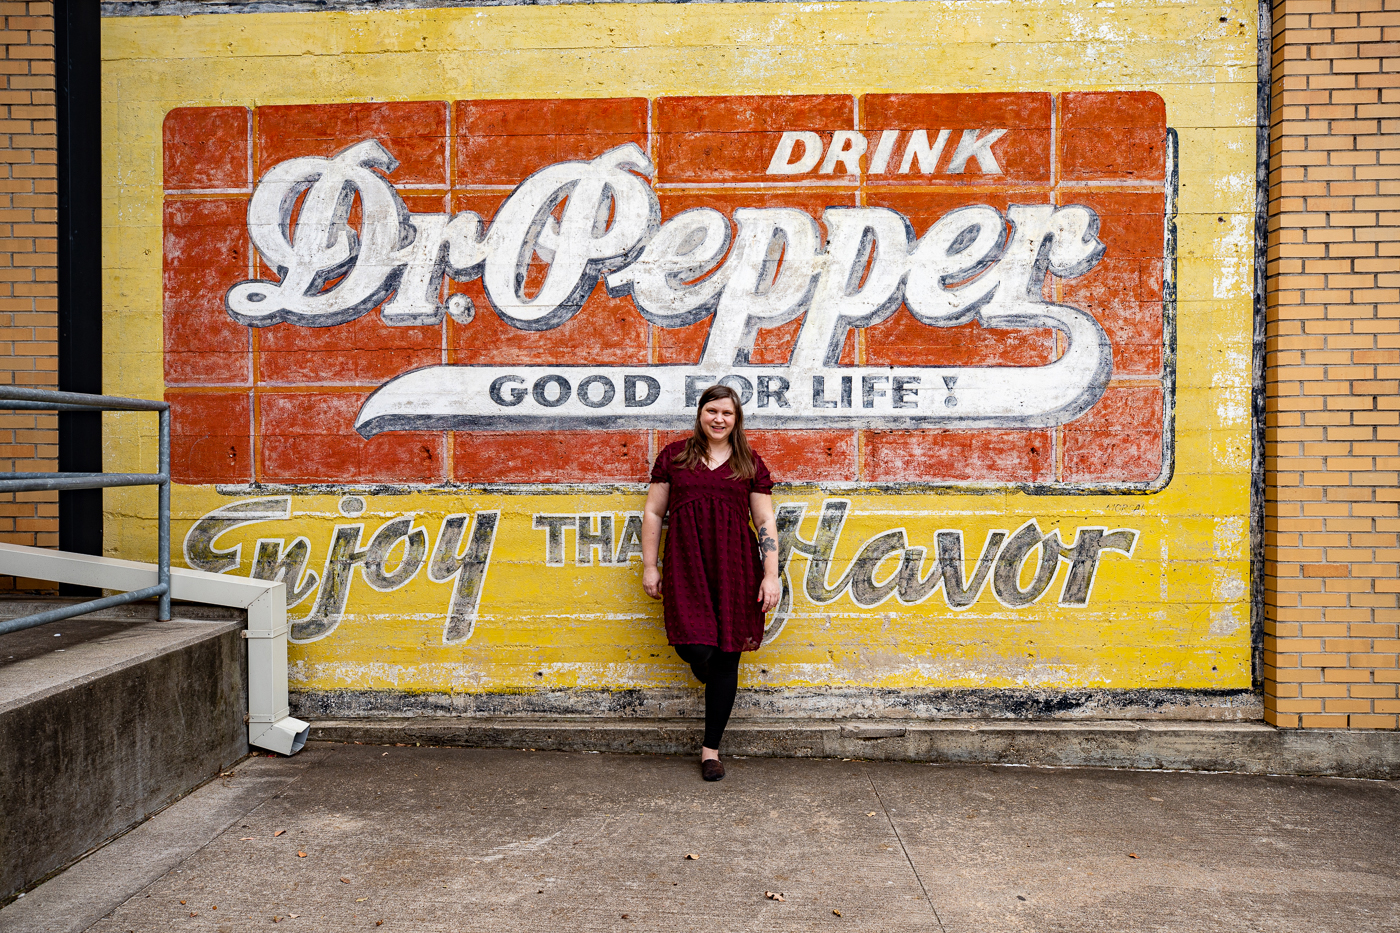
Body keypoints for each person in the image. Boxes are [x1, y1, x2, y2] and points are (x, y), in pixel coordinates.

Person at [641, 384, 781, 782]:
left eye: (728, 413)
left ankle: (710, 752)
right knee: (695, 647)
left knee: (728, 656)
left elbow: (765, 522)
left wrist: (771, 576)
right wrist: (650, 566)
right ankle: (707, 672)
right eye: (712, 411)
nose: (719, 419)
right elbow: (653, 512)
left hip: (736, 566)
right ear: (701, 413)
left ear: (737, 420)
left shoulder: (749, 463)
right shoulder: (675, 456)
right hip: (687, 564)